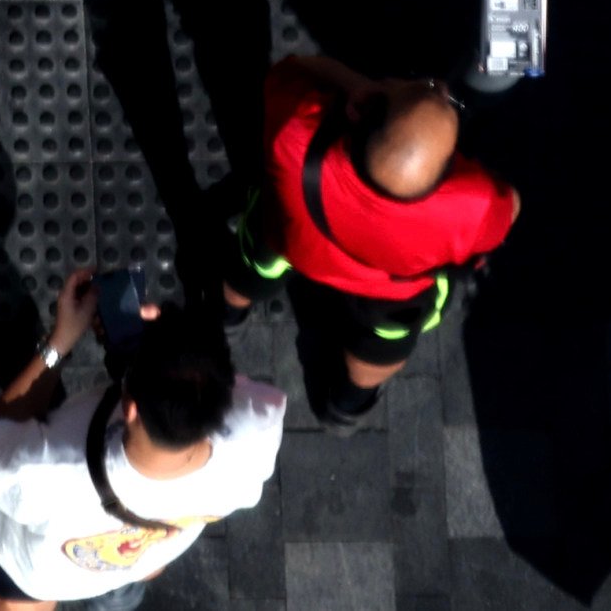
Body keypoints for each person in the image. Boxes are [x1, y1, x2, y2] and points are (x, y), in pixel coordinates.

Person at [0, 271, 281, 608]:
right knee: (122, 589)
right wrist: (154, 356)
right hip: (144, 559)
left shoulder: (42, 471)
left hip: (38, 571)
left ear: (129, 408)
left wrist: (59, 343)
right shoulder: (258, 431)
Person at [219, 56, 518, 424]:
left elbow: (293, 68)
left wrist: (357, 84)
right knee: (385, 341)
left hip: (296, 239)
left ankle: (228, 317)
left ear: (360, 108)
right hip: (390, 295)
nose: (438, 87)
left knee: (254, 256)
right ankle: (345, 408)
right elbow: (511, 206)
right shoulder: (473, 205)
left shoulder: (297, 135)